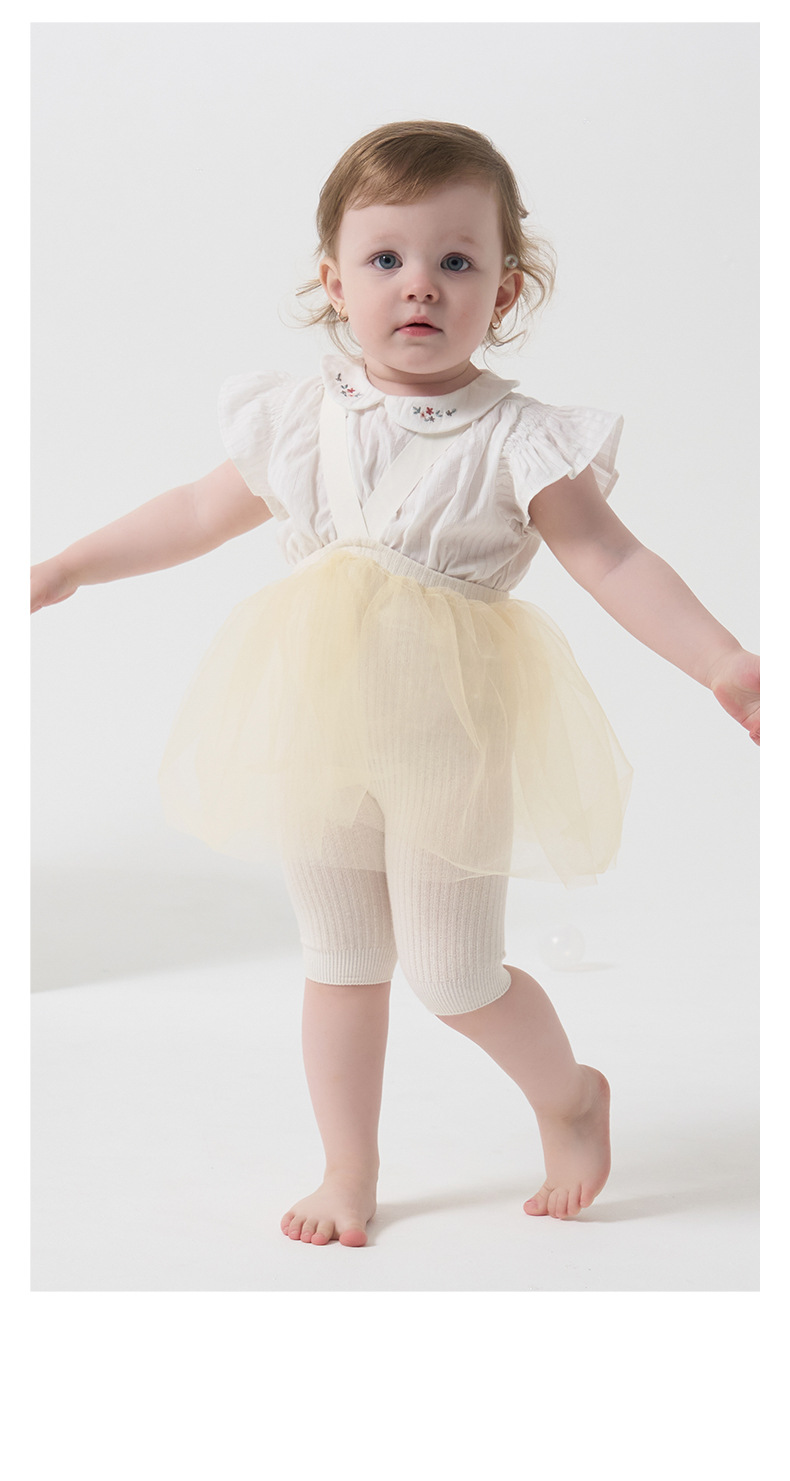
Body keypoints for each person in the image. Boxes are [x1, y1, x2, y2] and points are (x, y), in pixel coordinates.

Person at [31, 120, 759, 1248]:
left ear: (504, 291)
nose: (419, 283)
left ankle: (570, 1094)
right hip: (317, 726)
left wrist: (722, 659)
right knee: (338, 957)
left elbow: (613, 559)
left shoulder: (518, 439)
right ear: (335, 282)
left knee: (453, 972)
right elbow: (193, 510)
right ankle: (347, 1165)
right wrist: (69, 564)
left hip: (447, 736)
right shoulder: (301, 419)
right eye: (386, 258)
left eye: (455, 260)